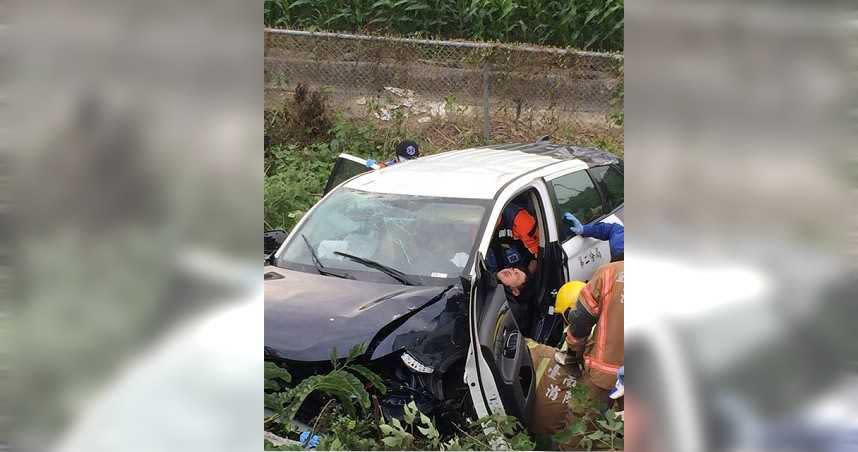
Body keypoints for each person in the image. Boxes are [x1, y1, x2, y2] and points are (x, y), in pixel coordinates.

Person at [554, 261, 624, 406]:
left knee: (585, 420)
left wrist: (574, 352)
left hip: (604, 374)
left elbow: (580, 320)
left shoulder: (609, 273)